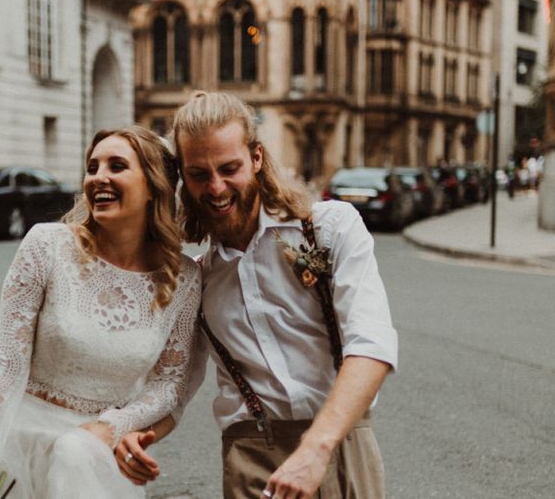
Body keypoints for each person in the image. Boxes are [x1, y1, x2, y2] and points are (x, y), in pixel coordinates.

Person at [117, 92, 398, 499]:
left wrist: (316, 450)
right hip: (253, 458)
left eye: (229, 168)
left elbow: (371, 343)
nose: (216, 187)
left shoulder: (330, 227)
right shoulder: (198, 277)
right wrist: (136, 432)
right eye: (198, 174)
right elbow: (176, 384)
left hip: (340, 444)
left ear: (257, 158)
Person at [0, 126, 201, 499]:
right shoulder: (46, 246)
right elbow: (5, 359)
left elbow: (169, 384)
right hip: (17, 445)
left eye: (117, 166)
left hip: (96, 459)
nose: (99, 178)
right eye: (92, 167)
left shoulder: (185, 280)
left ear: (154, 186)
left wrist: (108, 429)